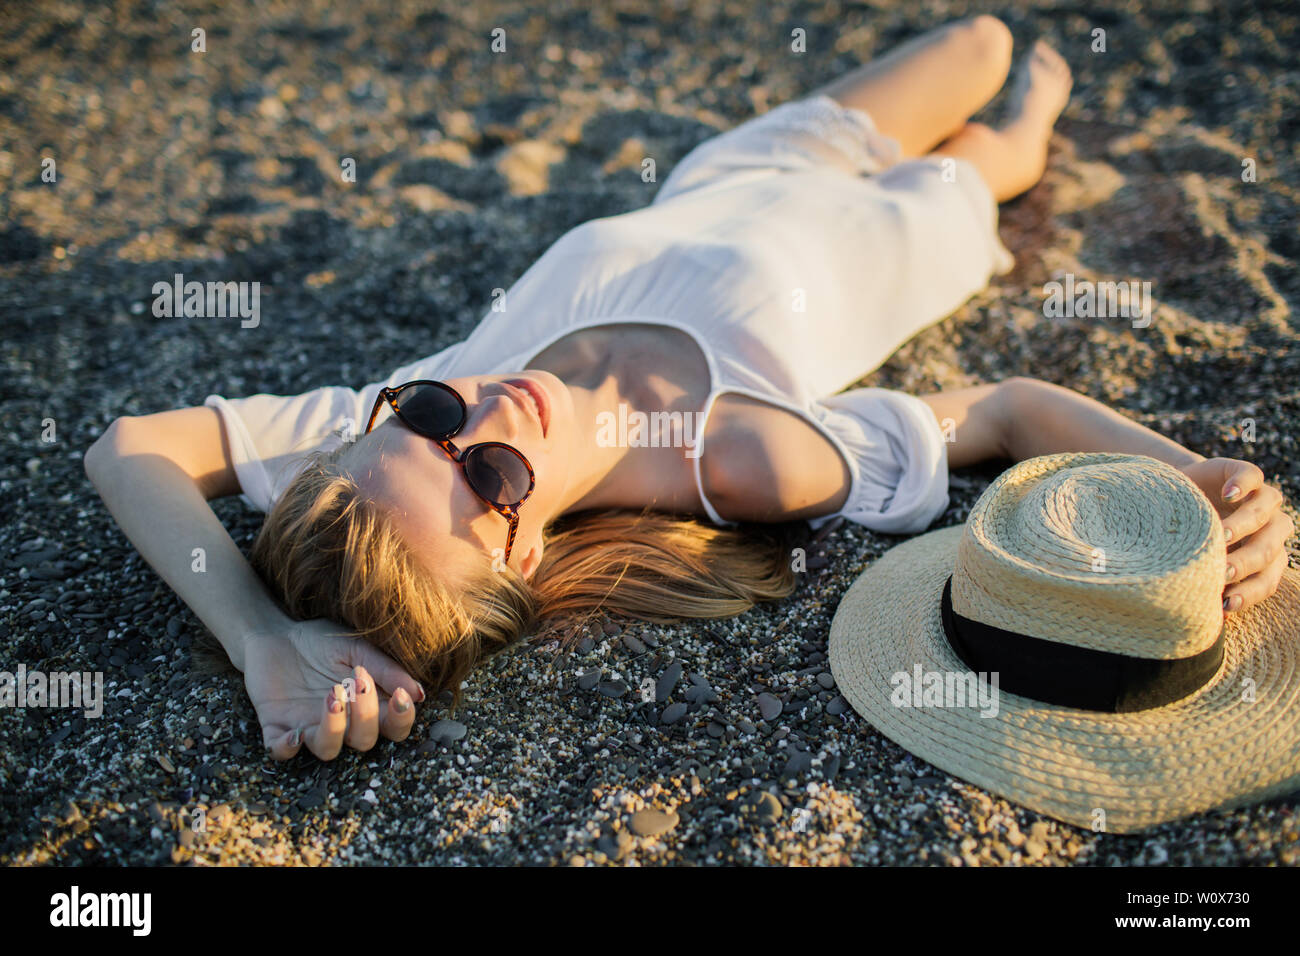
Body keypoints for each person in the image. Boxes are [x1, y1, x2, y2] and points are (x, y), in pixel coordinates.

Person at [85, 17, 1294, 763]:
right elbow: (1004, 410)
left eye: (429, 416)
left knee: (973, 32)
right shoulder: (738, 462)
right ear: (516, 558)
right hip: (911, 224)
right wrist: (1187, 474)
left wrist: (258, 633)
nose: (488, 411)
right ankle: (1034, 126)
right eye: (491, 477)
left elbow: (128, 446)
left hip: (752, 159)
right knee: (1008, 110)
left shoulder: (405, 409)